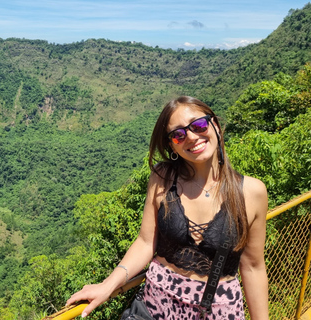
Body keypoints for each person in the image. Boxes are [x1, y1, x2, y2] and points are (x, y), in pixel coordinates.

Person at [66, 96, 269, 319]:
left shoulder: (250, 192)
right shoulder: (163, 177)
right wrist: (107, 285)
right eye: (178, 135)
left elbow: (252, 267)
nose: (191, 137)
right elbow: (145, 241)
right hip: (157, 305)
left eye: (198, 125)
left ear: (216, 127)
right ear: (172, 145)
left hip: (218, 311)